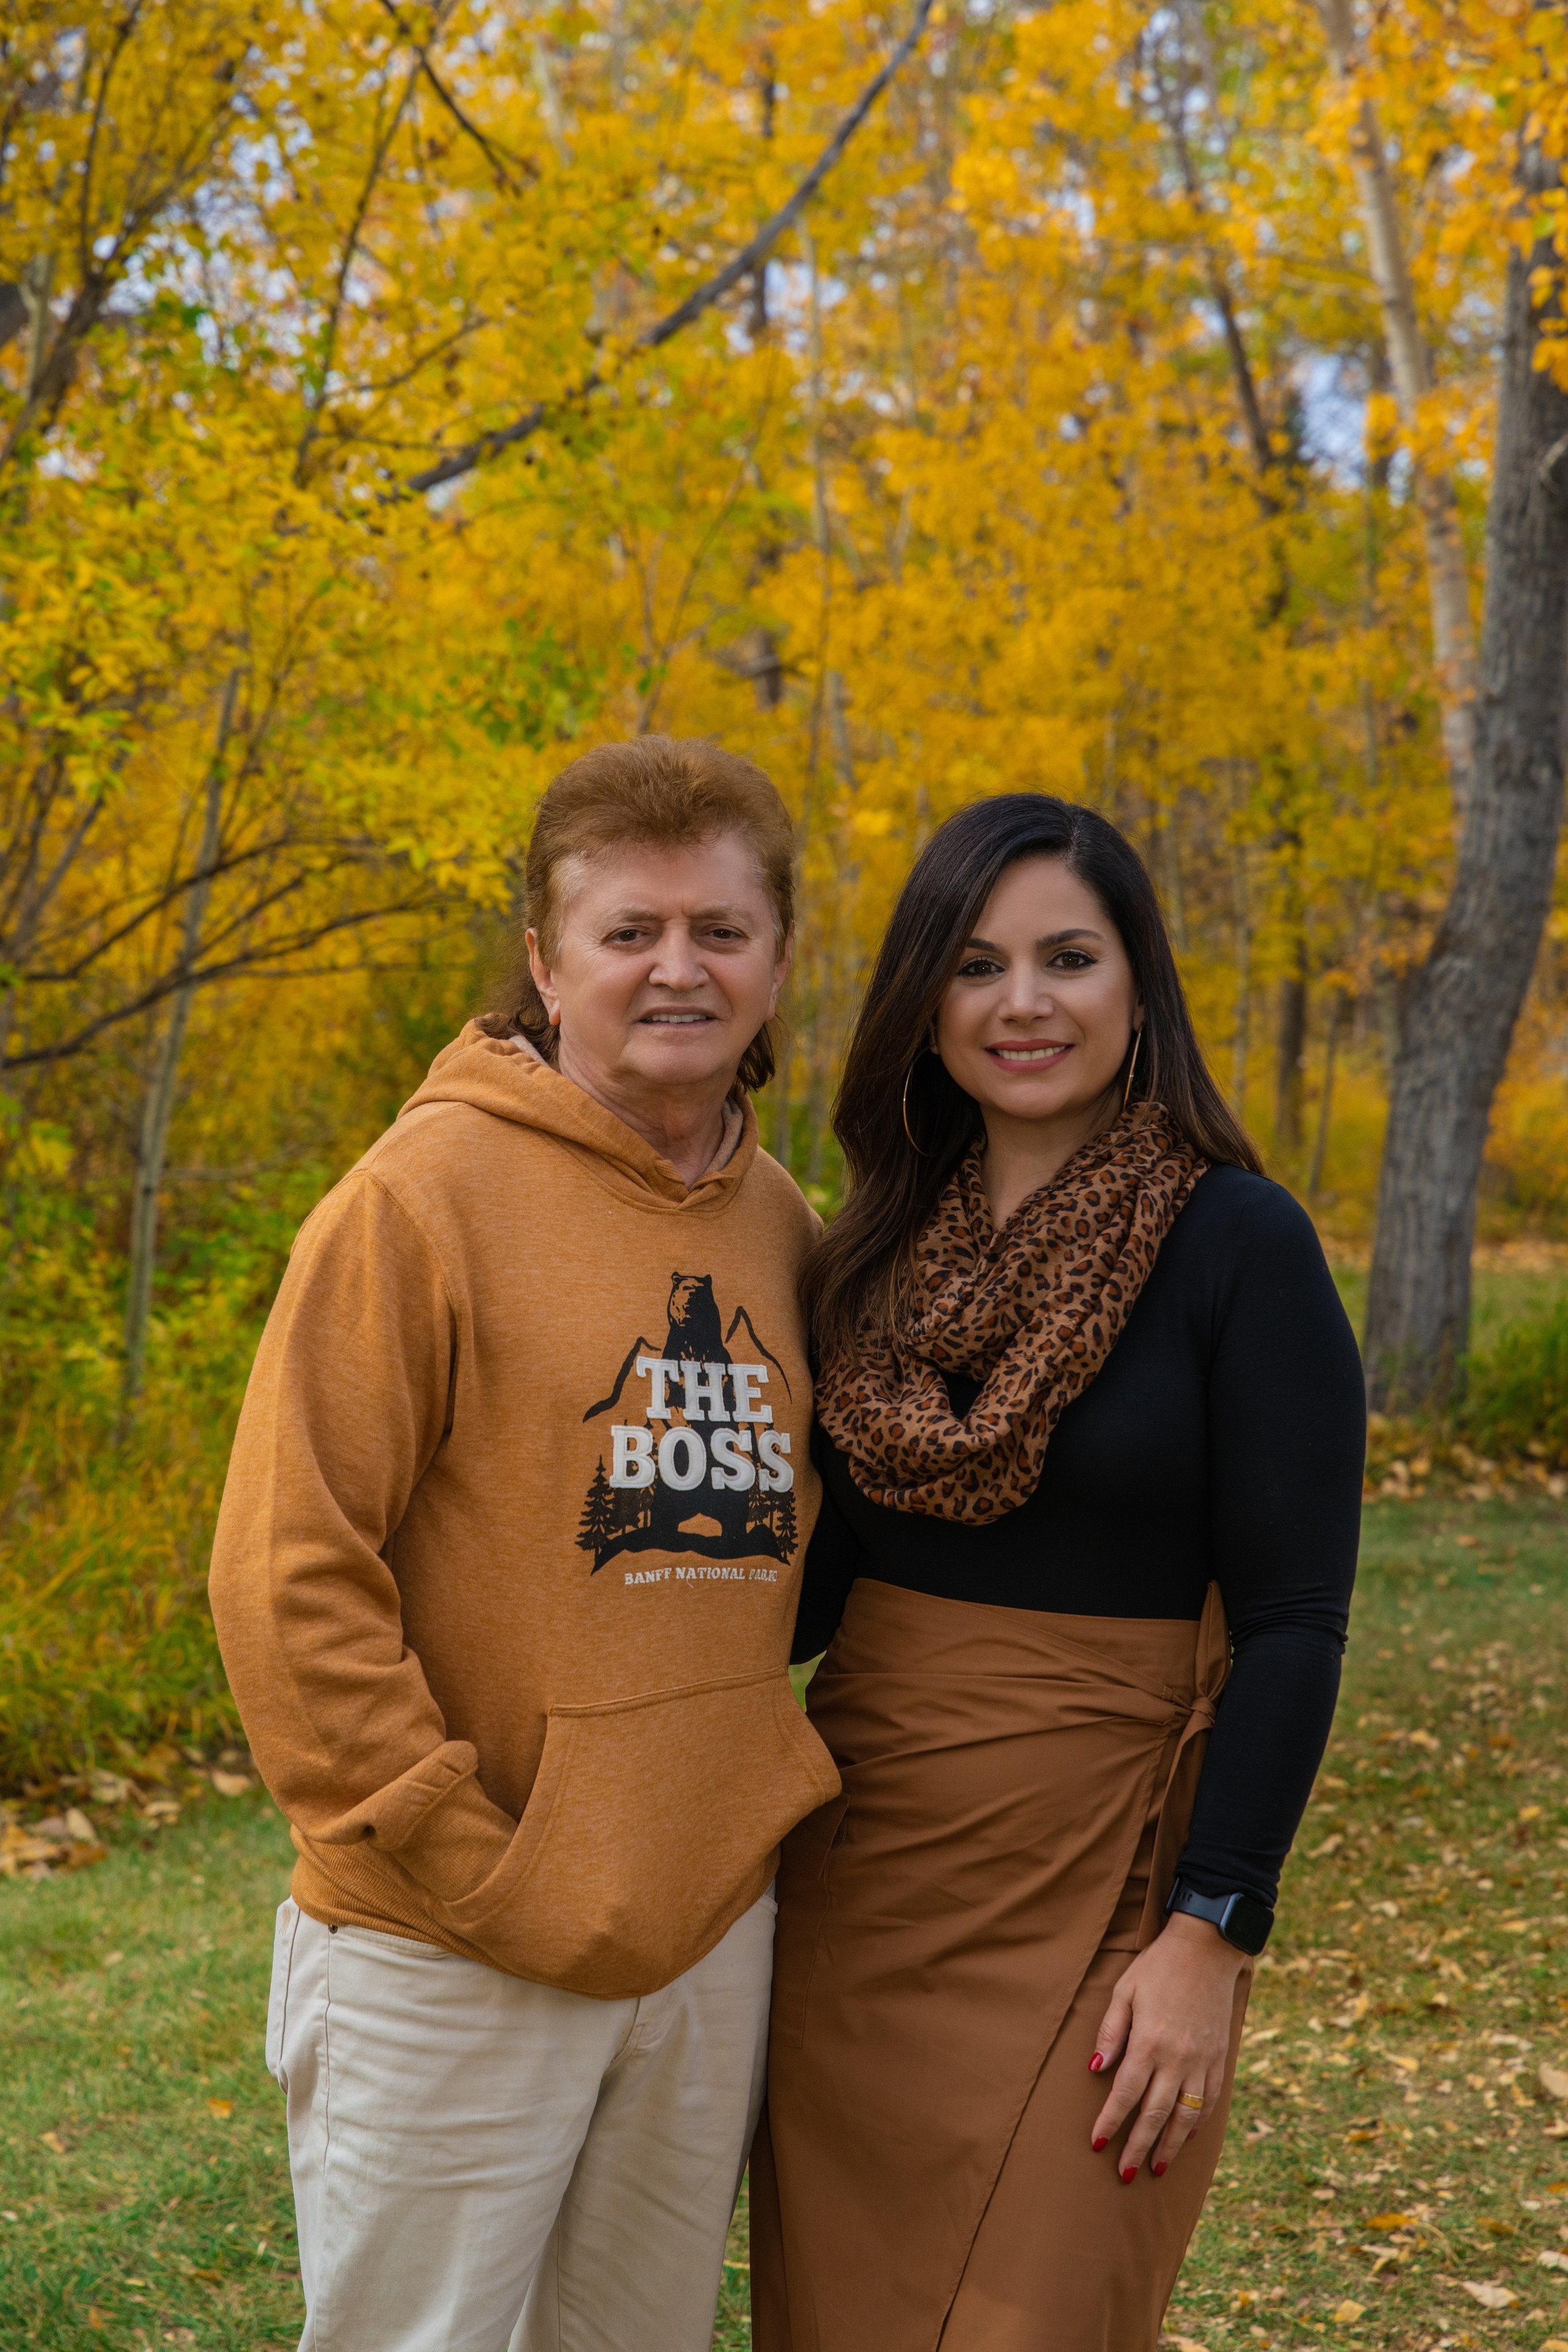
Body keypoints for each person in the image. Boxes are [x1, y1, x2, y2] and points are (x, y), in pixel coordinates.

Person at [209, 736, 839, 2352]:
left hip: (701, 1941)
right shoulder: (417, 1202)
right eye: (630, 932)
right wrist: (465, 1852)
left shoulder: (789, 1231)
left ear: (777, 962)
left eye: (719, 930)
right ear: (550, 962)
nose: (677, 969)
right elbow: (289, 1574)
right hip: (447, 1943)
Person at [750, 793, 1365, 2352]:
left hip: (1117, 1886)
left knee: (1044, 2312)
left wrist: (1211, 1932)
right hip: (870, 1879)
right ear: (924, 1007)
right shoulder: (871, 1253)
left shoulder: (1237, 1243)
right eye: (975, 965)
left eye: (1067, 958)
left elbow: (1294, 1622)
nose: (1022, 1003)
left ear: (1137, 987)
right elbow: (807, 1591)